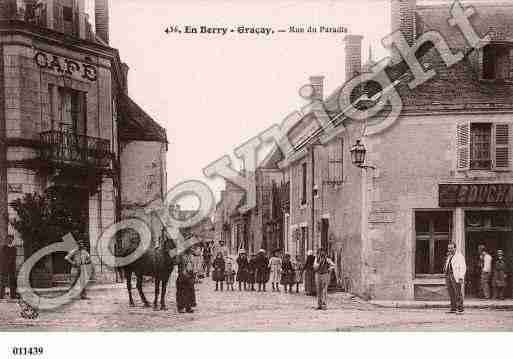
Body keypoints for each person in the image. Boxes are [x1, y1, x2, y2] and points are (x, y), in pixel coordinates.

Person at [445, 242, 466, 314]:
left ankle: (460, 308)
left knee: (457, 292)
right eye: (449, 248)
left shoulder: (459, 256)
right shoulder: (449, 256)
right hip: (448, 275)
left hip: (455, 276)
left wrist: (461, 277)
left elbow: (463, 267)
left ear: (455, 248)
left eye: (451, 248)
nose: (450, 249)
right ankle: (453, 308)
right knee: (451, 293)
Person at [176, 249, 196, 313]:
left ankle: (188, 307)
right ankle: (180, 307)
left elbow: (192, 266)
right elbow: (176, 262)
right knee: (181, 292)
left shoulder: (190, 256)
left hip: (190, 275)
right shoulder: (181, 255)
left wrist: (194, 273)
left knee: (189, 292)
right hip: (182, 276)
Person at [0, 235, 18, 300]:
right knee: (3, 281)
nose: (9, 240)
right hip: (4, 267)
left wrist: (12, 263)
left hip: (12, 267)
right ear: (6, 240)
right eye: (8, 239)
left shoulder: (14, 248)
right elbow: (2, 258)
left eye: (11, 239)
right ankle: (1, 295)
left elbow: (14, 258)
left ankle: (13, 295)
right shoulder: (3, 248)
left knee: (12, 281)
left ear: (12, 240)